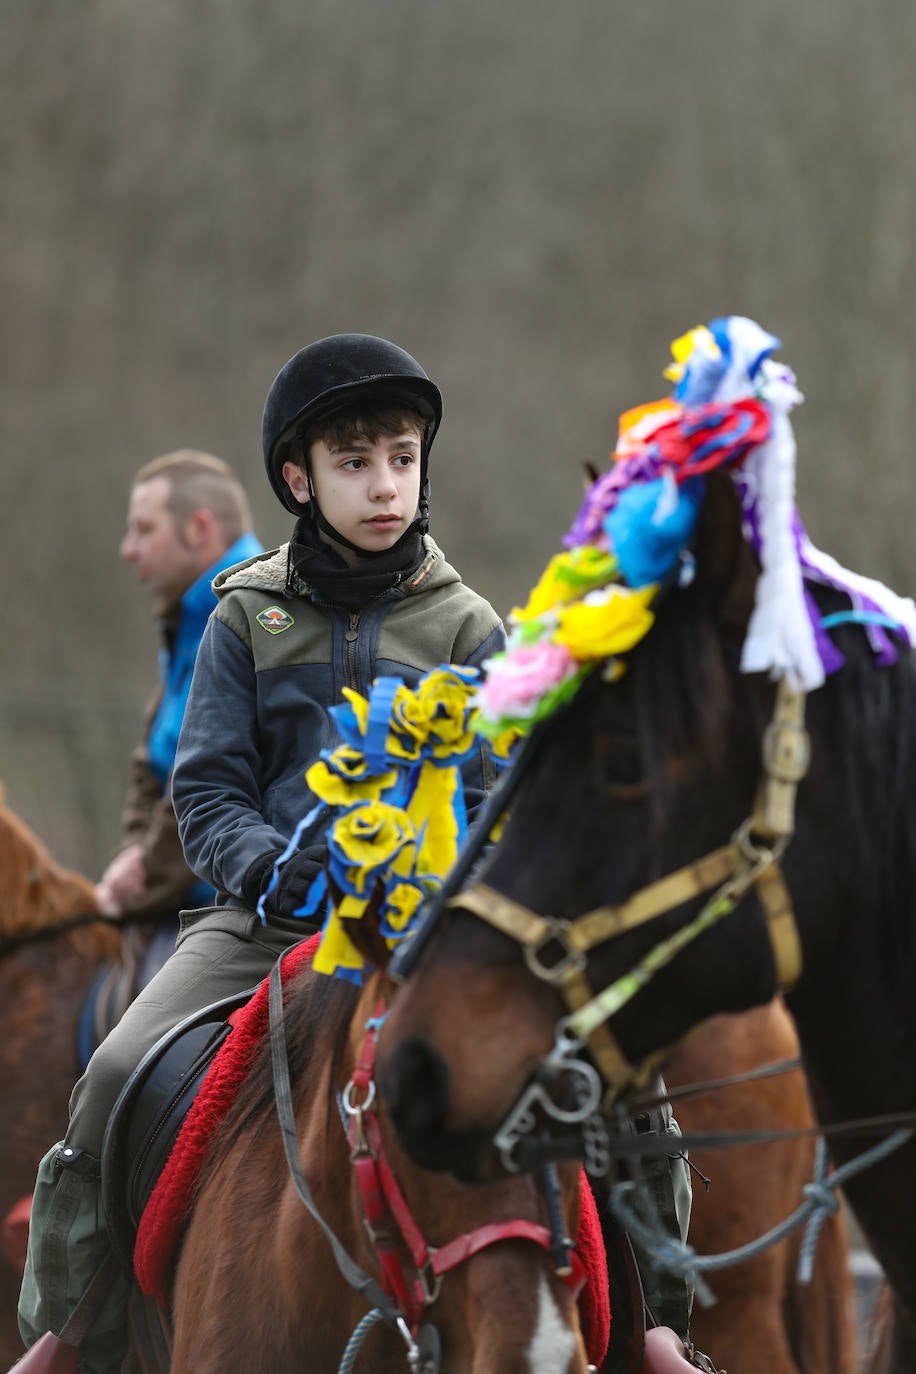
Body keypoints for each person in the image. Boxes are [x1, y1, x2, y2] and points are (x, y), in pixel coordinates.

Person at [18, 334, 506, 1373]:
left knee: (599, 1076)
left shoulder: (471, 627)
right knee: (110, 1073)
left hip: (430, 938)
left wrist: (445, 892)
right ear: (298, 477)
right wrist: (271, 868)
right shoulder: (244, 611)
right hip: (260, 924)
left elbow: (496, 797)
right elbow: (205, 787)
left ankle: (652, 1314)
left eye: (402, 458)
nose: (384, 485)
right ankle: (73, 1327)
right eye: (354, 462)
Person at [94, 451, 263, 948]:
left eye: (144, 529)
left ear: (199, 528)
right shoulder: (189, 615)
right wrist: (134, 857)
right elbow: (156, 763)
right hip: (171, 898)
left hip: (227, 907)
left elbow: (213, 779)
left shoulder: (258, 616)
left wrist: (138, 878)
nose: (128, 549)